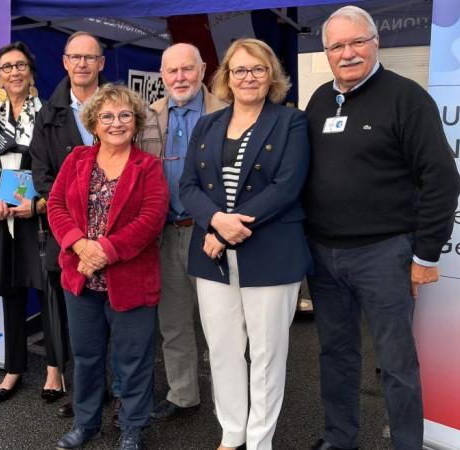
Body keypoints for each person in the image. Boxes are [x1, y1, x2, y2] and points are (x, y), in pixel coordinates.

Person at [303, 6, 460, 450]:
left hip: (385, 254)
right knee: (335, 355)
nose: (348, 53)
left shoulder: (406, 97)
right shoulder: (318, 100)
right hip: (323, 255)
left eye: (357, 42)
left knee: (396, 363)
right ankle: (340, 438)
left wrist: (426, 254)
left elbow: (442, 179)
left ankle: (407, 445)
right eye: (337, 46)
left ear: (375, 43)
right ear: (326, 52)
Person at [179, 38, 311, 450]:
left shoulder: (291, 122)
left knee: (268, 356)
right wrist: (216, 224)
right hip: (212, 256)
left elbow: (286, 186)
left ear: (271, 75)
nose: (248, 77)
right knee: (221, 350)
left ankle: (259, 441)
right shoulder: (207, 124)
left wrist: (226, 230)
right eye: (239, 70)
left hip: (270, 253)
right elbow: (188, 186)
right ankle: (232, 432)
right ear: (226, 77)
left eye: (257, 69)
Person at [48, 83, 168, 450]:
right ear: (94, 123)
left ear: (135, 121)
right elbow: (55, 205)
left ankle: (133, 426)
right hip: (80, 280)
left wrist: (105, 250)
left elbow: (151, 219)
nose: (116, 123)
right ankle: (86, 424)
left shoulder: (147, 166)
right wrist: (81, 246)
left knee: (133, 361)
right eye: (107, 117)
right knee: (85, 358)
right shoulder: (77, 159)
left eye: (124, 115)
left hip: (130, 279)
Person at [138, 42, 227, 420]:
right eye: (172, 71)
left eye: (187, 69)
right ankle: (183, 395)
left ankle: (231, 400)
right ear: (162, 75)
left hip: (211, 235)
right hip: (166, 233)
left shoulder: (226, 113)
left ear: (203, 69)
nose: (179, 77)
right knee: (173, 323)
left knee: (222, 326)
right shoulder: (148, 116)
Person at [30, 30, 107, 418]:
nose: (82, 64)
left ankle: (119, 395)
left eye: (89, 58)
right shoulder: (48, 114)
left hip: (112, 231)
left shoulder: (117, 105)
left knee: (114, 317)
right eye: (75, 57)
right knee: (79, 319)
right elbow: (41, 175)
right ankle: (85, 397)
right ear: (64, 62)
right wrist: (75, 227)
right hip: (70, 235)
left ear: (101, 64)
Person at [0, 42, 45, 403]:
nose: (15, 72)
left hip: (40, 216)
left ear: (31, 72)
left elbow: (54, 167)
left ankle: (54, 367)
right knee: (11, 291)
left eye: (21, 65)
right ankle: (13, 367)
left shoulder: (50, 114)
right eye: (7, 67)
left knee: (49, 291)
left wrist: (39, 203)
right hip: (1, 217)